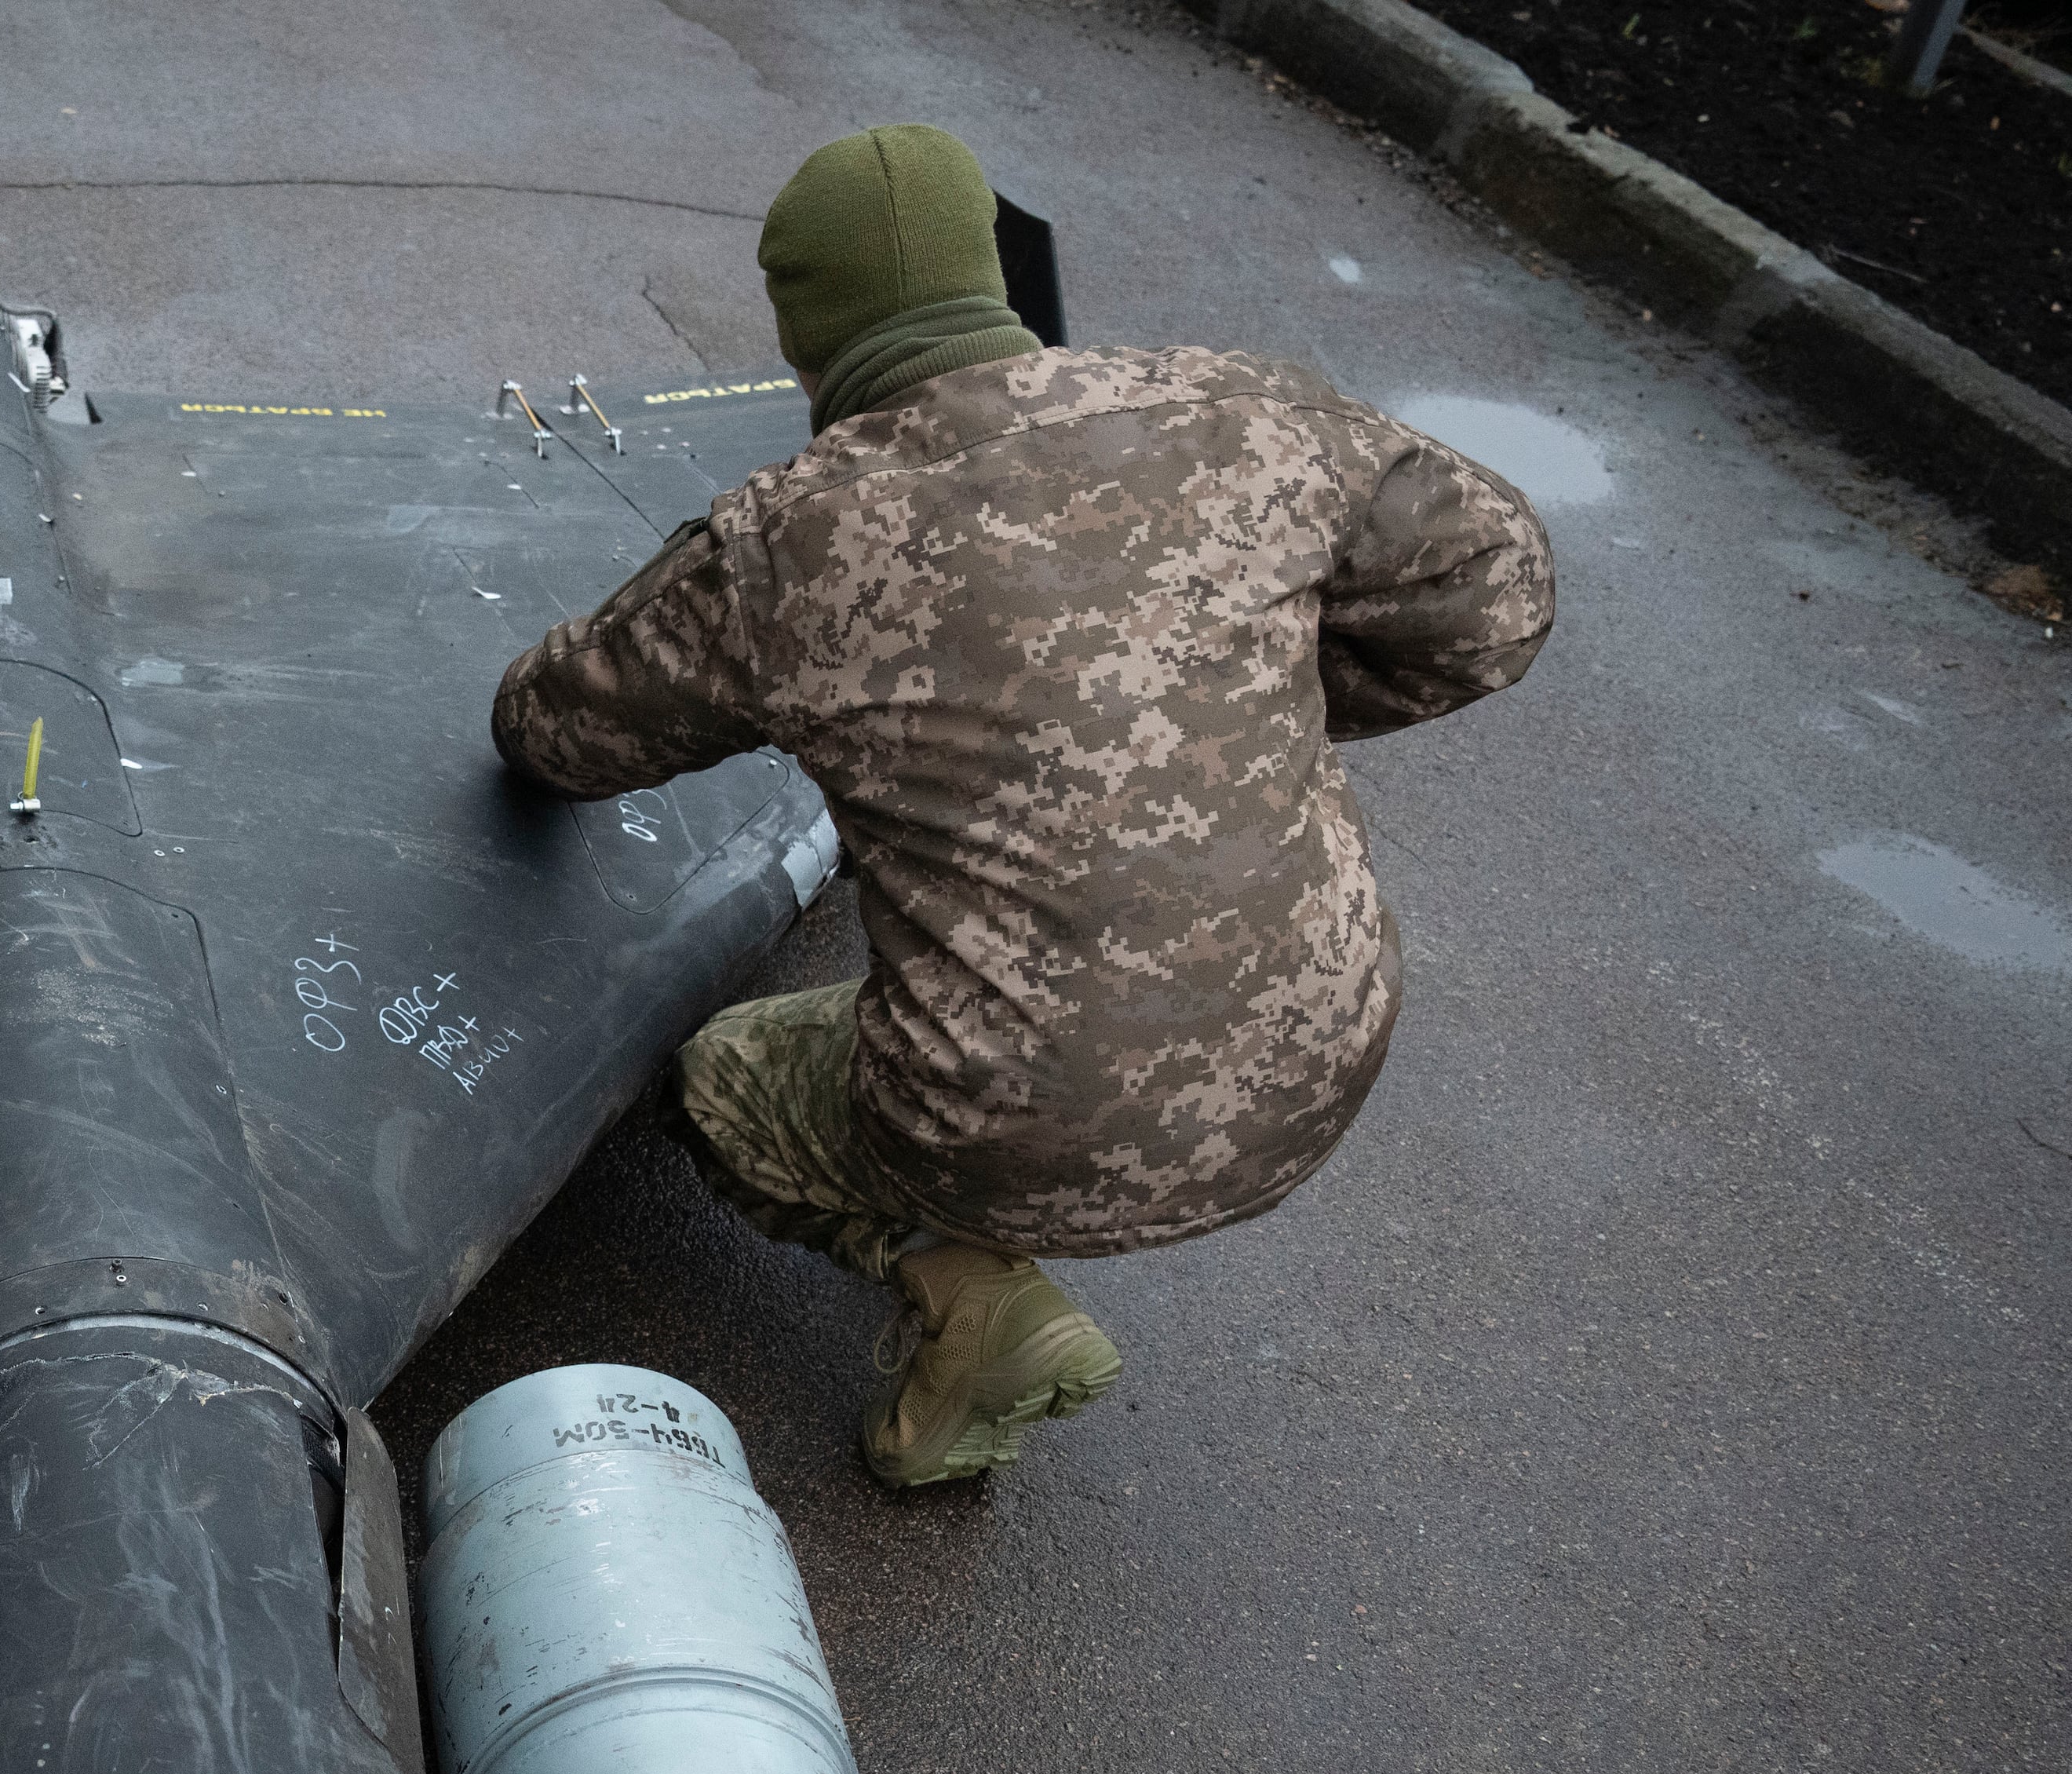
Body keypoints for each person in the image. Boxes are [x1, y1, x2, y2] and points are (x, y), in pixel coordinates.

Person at [494, 125, 1555, 1487]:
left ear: (804, 344)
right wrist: (1242, 694)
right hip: (1328, 1064)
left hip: (1006, 1123)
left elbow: (556, 733)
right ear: (990, 281)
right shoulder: (1240, 410)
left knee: (721, 1086)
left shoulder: (789, 540)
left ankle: (964, 1287)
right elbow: (1500, 596)